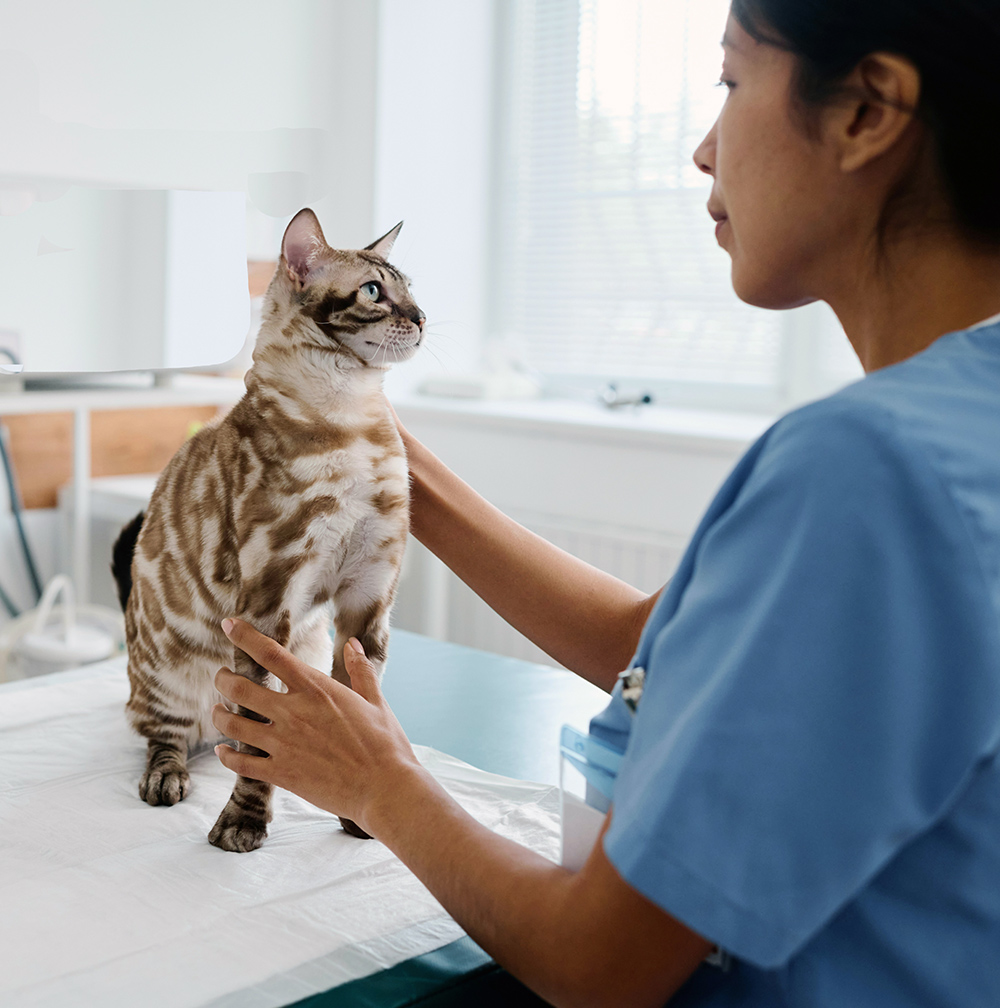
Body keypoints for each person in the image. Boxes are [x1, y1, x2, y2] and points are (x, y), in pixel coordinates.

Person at [210, 0, 1000, 1004]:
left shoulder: (866, 469)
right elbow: (660, 647)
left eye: (729, 81)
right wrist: (389, 458)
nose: (701, 151)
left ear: (867, 112)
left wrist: (378, 781)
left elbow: (599, 967)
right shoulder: (960, 424)